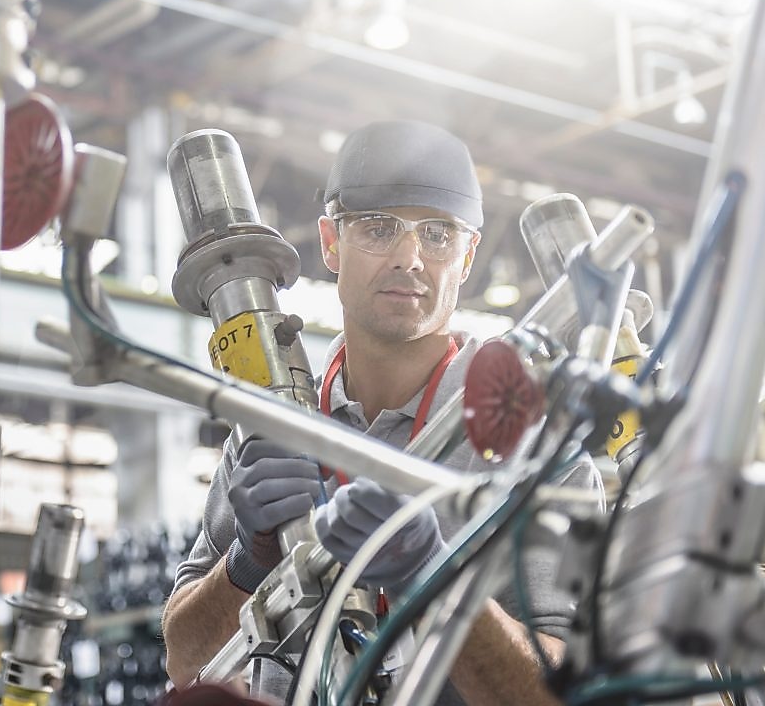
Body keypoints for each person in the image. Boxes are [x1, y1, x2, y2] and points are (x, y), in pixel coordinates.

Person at [161, 120, 605, 705]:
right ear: (329, 241)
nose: (409, 258)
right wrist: (248, 562)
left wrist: (434, 579)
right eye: (378, 228)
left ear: (468, 256)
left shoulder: (536, 447)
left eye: (438, 234)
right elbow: (183, 660)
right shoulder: (268, 429)